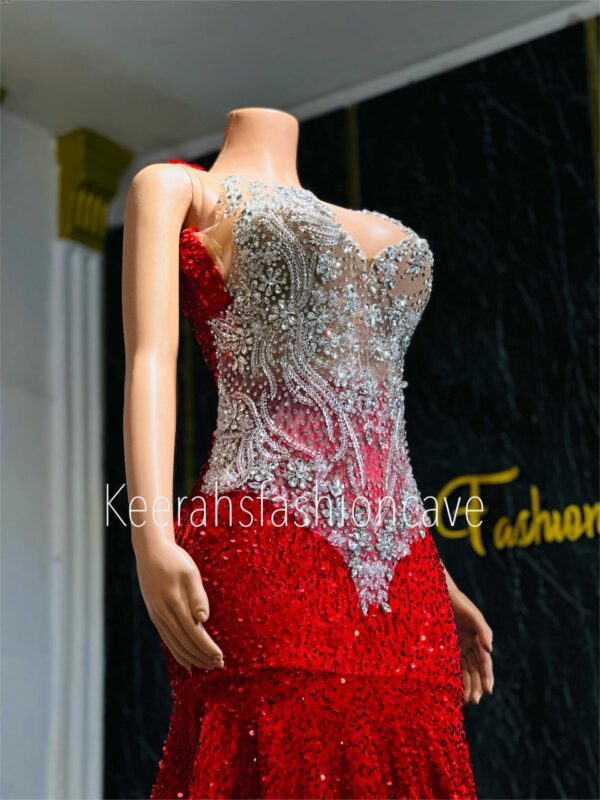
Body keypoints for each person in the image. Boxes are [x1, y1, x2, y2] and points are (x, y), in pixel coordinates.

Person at [122, 107, 493, 800]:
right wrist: (151, 540)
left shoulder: (354, 220)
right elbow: (149, 361)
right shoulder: (178, 189)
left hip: (406, 578)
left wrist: (441, 581)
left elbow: (376, 423)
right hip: (263, 545)